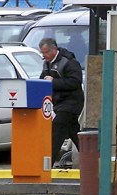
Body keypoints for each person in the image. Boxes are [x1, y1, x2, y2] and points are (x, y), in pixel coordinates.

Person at [38, 38, 84, 168]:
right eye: (42, 53)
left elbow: (75, 82)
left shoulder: (69, 62)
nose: (43, 56)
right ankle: (94, 159)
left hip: (71, 102)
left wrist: (54, 82)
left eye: (45, 52)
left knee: (57, 129)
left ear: (54, 49)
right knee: (73, 131)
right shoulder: (46, 63)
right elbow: (42, 79)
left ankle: (46, 166)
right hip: (58, 103)